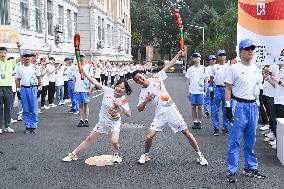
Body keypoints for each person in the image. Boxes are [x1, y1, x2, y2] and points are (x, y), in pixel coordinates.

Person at [132, 51, 208, 166]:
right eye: (137, 80)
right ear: (137, 83)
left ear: (143, 74)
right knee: (149, 136)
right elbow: (139, 109)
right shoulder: (143, 93)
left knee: (186, 133)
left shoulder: (156, 77)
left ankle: (199, 154)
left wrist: (178, 54)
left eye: (140, 77)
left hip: (172, 110)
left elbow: (170, 64)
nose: (140, 80)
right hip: (160, 115)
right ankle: (146, 154)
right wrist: (146, 101)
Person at [62, 71, 132, 163]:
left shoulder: (123, 100)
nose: (119, 89)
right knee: (89, 139)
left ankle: (115, 154)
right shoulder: (108, 90)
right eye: (118, 86)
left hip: (115, 122)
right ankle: (73, 154)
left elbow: (129, 114)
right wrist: (85, 74)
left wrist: (120, 106)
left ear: (125, 90)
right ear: (115, 86)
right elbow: (95, 82)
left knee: (114, 141)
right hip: (103, 121)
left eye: (122, 88)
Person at [225, 39, 265, 182]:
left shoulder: (257, 68)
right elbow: (228, 88)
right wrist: (228, 107)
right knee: (235, 139)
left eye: (252, 48)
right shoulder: (233, 68)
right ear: (240, 51)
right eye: (247, 48)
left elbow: (258, 88)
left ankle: (250, 167)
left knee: (251, 139)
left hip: (253, 106)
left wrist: (259, 106)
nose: (250, 51)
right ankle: (232, 170)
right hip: (239, 106)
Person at [16, 50, 42, 134]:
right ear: (22, 58)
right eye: (25, 56)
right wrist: (18, 91)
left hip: (33, 89)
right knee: (26, 109)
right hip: (23, 89)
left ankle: (33, 126)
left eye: (28, 56)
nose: (27, 58)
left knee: (34, 108)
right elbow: (18, 80)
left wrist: (39, 89)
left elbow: (39, 78)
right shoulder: (19, 68)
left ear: (31, 57)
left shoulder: (35, 67)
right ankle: (28, 126)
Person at [0, 43, 22, 134]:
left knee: (8, 107)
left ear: (7, 53)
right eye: (1, 52)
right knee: (0, 108)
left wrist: (19, 47)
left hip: (8, 87)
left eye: (4, 52)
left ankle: (7, 126)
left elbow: (21, 57)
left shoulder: (10, 62)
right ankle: (0, 127)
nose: (3, 54)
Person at [185, 52, 208, 129]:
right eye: (194, 57)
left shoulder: (204, 68)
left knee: (200, 107)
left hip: (200, 91)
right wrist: (187, 91)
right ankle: (195, 121)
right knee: (193, 107)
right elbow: (188, 81)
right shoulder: (190, 69)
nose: (195, 59)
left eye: (197, 57)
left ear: (200, 58)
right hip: (192, 91)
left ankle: (199, 121)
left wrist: (205, 91)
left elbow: (206, 80)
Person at [209, 50, 230, 136]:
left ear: (225, 57)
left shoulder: (229, 67)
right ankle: (216, 128)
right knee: (215, 110)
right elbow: (211, 78)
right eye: (220, 55)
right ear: (217, 57)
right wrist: (211, 90)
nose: (222, 57)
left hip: (226, 89)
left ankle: (225, 127)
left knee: (226, 110)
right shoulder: (214, 67)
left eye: (223, 55)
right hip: (217, 88)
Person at [74, 52, 93, 127]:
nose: (81, 58)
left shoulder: (88, 67)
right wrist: (75, 88)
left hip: (85, 88)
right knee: (80, 105)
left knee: (86, 105)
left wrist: (90, 87)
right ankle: (81, 119)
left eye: (82, 57)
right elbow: (75, 78)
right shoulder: (76, 67)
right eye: (79, 57)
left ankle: (86, 119)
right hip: (78, 89)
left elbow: (91, 78)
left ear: (85, 57)